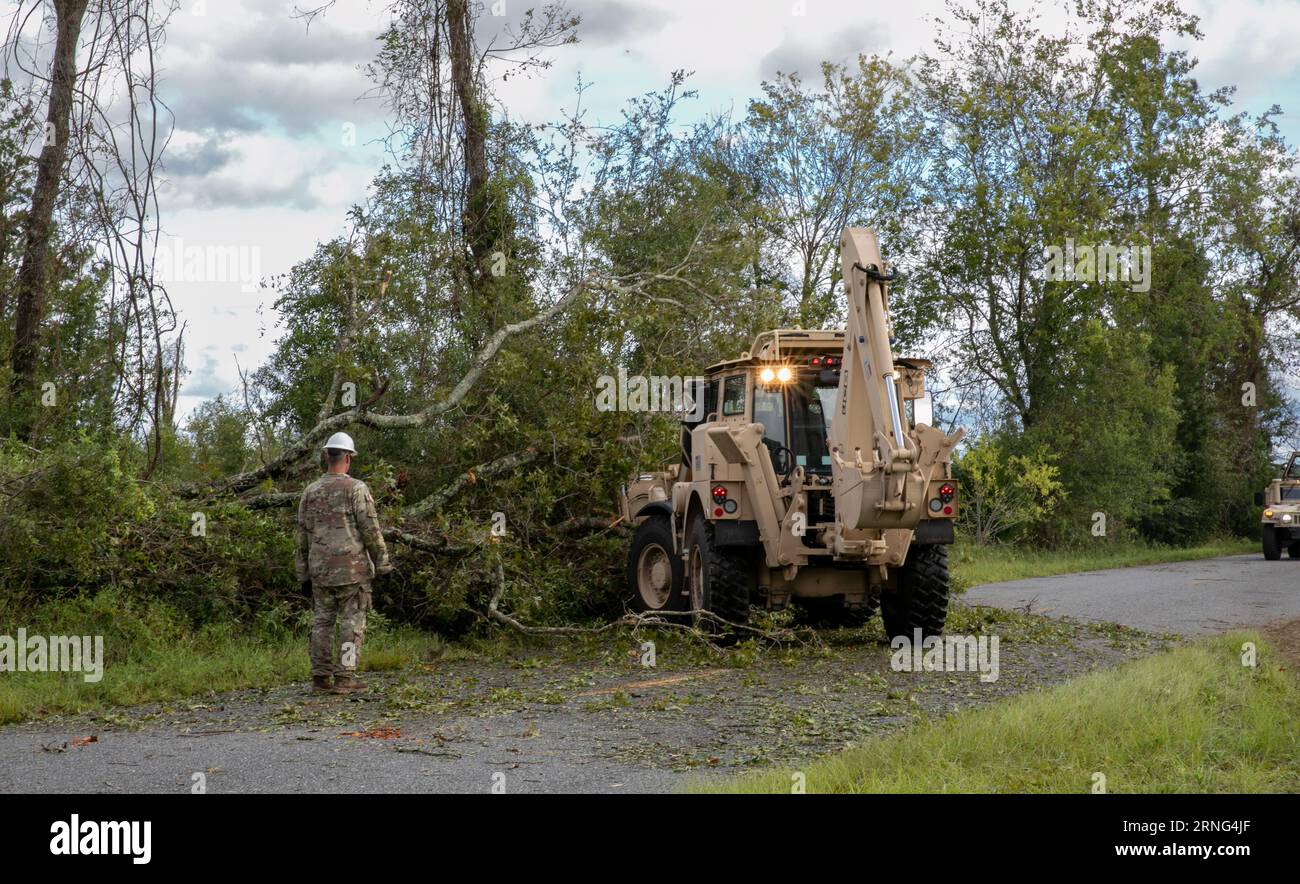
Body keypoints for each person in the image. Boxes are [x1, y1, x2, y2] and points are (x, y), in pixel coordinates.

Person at [295, 432, 391, 694]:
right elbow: (370, 529)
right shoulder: (356, 489)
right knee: (351, 625)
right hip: (352, 571)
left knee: (322, 624)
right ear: (348, 458)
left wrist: (302, 574)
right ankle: (345, 679)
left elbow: (302, 537)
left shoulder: (310, 492)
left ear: (327, 456)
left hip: (320, 573)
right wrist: (382, 563)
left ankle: (320, 679)